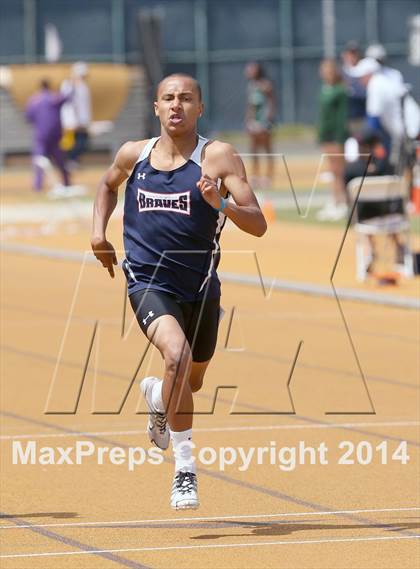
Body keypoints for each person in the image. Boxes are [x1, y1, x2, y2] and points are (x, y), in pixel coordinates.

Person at [91, 73, 267, 510]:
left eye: (186, 98)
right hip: (149, 281)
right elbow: (106, 186)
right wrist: (98, 234)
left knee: (192, 379)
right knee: (176, 354)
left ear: (200, 108)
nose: (176, 105)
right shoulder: (135, 155)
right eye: (168, 98)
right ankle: (185, 469)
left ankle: (157, 395)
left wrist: (221, 204)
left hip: (202, 287)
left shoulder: (218, 157)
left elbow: (258, 223)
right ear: (155, 107)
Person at [317, 59, 349, 221]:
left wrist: (339, 137)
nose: (324, 72)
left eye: (327, 69)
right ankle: (334, 200)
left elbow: (342, 116)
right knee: (332, 170)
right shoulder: (325, 89)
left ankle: (343, 202)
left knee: (339, 170)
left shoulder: (340, 90)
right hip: (327, 135)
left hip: (337, 136)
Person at [25, 79, 71, 192]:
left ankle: (37, 185)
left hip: (41, 135)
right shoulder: (54, 97)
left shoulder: (34, 100)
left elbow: (28, 116)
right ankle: (66, 182)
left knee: (39, 159)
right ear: (49, 86)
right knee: (60, 160)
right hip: (55, 135)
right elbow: (66, 98)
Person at [244, 62, 276, 188]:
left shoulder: (265, 85)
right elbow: (250, 105)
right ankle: (255, 176)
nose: (248, 71)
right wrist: (248, 120)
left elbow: (271, 103)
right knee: (253, 150)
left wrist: (268, 120)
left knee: (267, 149)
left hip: (264, 122)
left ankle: (268, 177)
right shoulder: (251, 85)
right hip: (254, 122)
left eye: (252, 69)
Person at [61, 61, 92, 166]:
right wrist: (73, 120)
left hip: (82, 121)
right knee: (72, 143)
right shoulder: (69, 85)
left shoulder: (83, 86)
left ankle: (72, 161)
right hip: (72, 122)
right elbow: (68, 104)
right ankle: (69, 161)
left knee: (83, 143)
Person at [341, 41, 366, 136]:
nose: (352, 56)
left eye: (354, 53)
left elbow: (363, 92)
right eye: (350, 53)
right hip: (345, 117)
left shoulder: (364, 71)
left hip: (360, 117)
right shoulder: (342, 72)